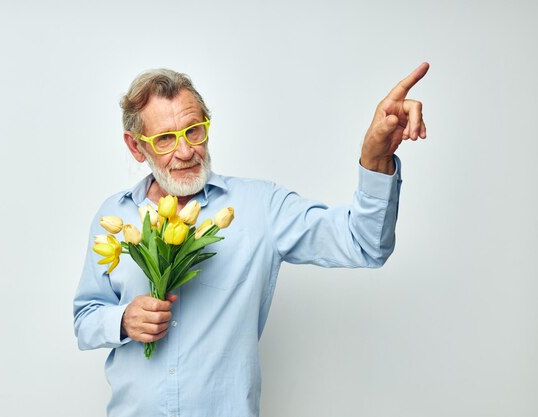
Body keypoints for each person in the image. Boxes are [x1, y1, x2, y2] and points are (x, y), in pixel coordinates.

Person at [73, 64, 429, 417]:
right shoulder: (115, 218)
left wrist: (375, 158)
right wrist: (123, 320)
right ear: (136, 147)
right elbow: (85, 318)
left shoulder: (260, 207)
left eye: (194, 131)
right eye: (165, 139)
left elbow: (364, 243)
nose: (185, 152)